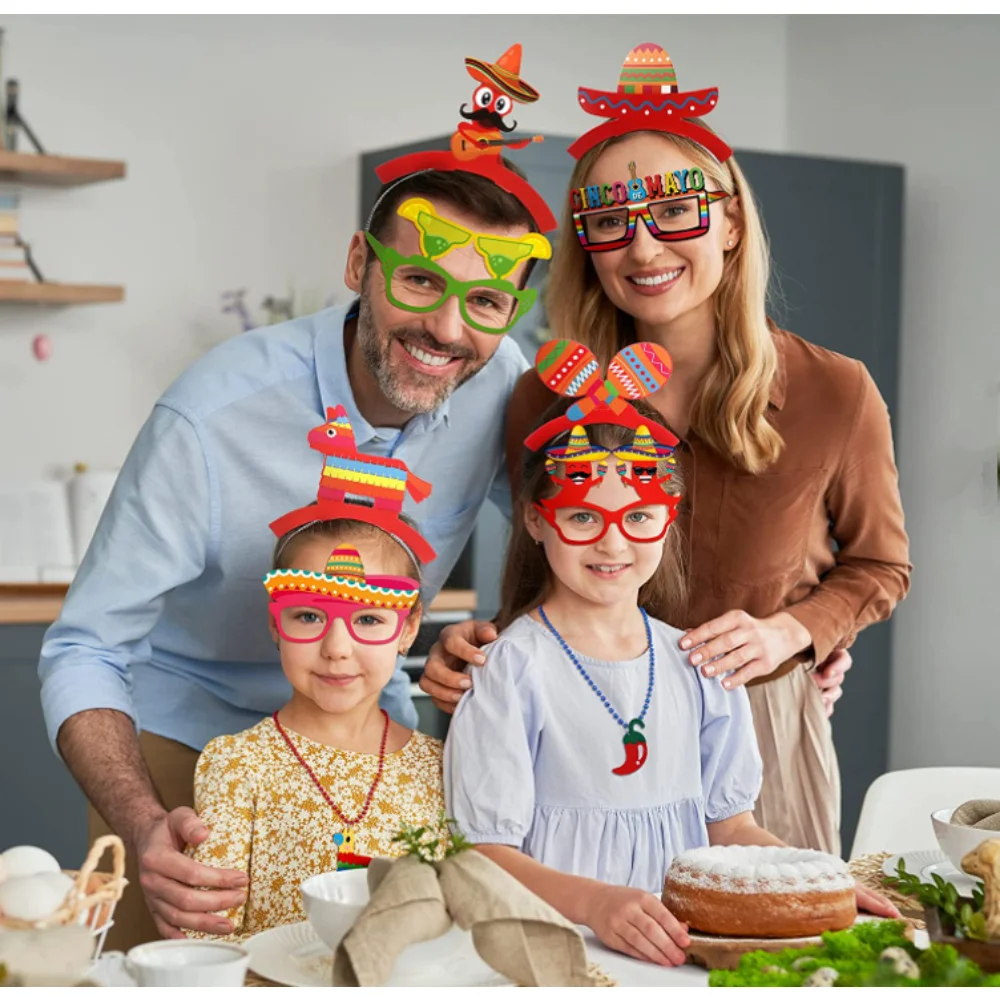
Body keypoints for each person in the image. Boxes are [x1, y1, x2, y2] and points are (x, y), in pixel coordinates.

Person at [38, 43, 558, 949]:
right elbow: (85, 645)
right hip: (184, 741)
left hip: (372, 735)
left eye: (484, 302)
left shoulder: (496, 377)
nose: (446, 330)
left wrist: (511, 629)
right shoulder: (211, 415)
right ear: (360, 261)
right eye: (422, 281)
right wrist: (140, 816)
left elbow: (573, 539)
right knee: (174, 967)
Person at [423, 42, 911, 858]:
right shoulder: (547, 395)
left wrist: (795, 634)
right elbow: (538, 575)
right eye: (609, 220)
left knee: (769, 969)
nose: (644, 249)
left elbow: (881, 567)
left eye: (674, 210)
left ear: (729, 220)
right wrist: (473, 646)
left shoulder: (836, 391)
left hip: (755, 735)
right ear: (588, 244)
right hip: (574, 739)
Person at [443, 361, 898, 968]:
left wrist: (817, 882)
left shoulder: (699, 667)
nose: (612, 543)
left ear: (667, 517)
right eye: (582, 516)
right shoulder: (510, 670)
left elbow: (730, 830)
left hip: (678, 960)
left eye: (637, 516)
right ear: (536, 519)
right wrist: (598, 904)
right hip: (552, 955)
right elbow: (483, 852)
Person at [188, 513, 446, 940]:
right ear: (276, 623)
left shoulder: (441, 766)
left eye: (368, 620)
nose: (336, 649)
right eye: (308, 617)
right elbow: (209, 939)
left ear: (408, 628)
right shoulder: (236, 766)